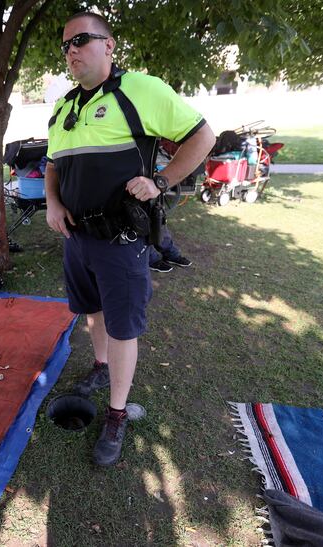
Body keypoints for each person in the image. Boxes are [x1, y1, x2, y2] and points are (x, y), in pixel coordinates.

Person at [45, 12, 215, 466]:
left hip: (120, 238)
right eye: (65, 45)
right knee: (92, 311)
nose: (72, 50)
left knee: (122, 327)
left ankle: (116, 414)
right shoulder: (63, 108)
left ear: (110, 45)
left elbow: (203, 137)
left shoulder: (141, 90)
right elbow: (53, 166)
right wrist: (53, 203)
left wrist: (161, 180)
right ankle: (100, 369)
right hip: (76, 238)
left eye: (81, 40)